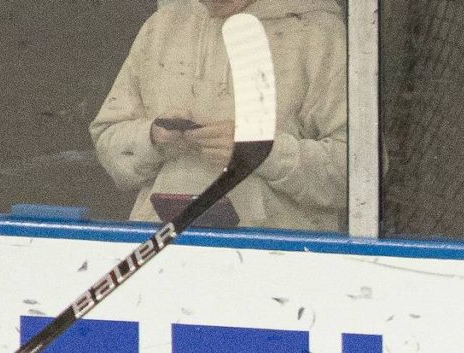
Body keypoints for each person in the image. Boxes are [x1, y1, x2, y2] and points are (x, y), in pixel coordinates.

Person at [92, 0, 349, 233]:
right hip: (160, 252)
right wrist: (152, 138)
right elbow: (107, 138)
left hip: (273, 260)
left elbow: (359, 175)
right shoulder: (161, 27)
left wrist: (264, 153)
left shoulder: (319, 33)